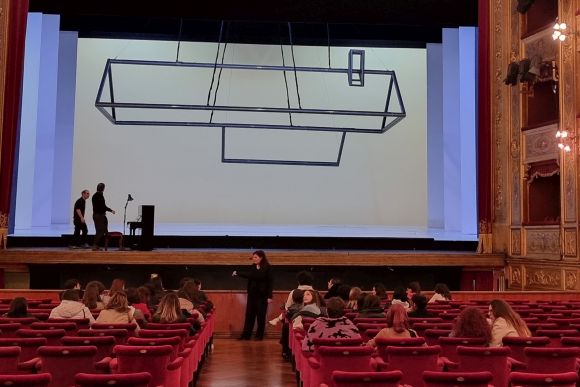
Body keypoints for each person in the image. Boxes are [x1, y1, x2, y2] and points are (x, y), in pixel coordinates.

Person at [232, 250, 273, 340]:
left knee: (261, 316)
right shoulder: (253, 267)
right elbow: (250, 276)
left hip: (262, 296)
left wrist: (270, 296)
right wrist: (238, 273)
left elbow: (270, 282)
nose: (254, 259)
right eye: (253, 257)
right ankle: (246, 335)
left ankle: (259, 336)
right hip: (252, 295)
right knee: (249, 315)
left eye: (255, 257)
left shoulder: (267, 267)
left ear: (261, 257)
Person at [91, 182, 115, 251]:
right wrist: (110, 210)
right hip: (99, 216)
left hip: (98, 215)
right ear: (102, 189)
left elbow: (102, 206)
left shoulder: (96, 195)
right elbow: (102, 206)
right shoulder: (99, 196)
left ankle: (96, 245)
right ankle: (95, 246)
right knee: (100, 231)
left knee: (100, 231)